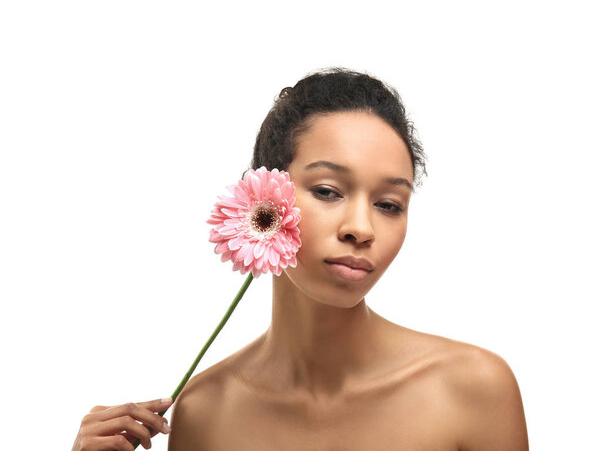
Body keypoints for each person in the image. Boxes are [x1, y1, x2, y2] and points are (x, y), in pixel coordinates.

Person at [72, 68, 528, 450]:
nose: (362, 228)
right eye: (328, 191)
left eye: (389, 204)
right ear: (261, 199)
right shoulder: (203, 412)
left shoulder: (473, 389)